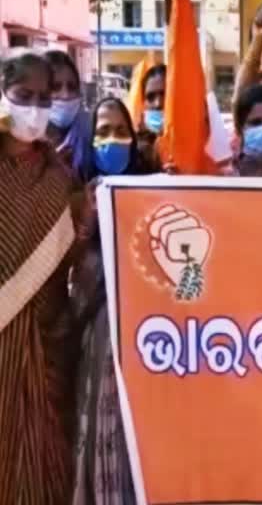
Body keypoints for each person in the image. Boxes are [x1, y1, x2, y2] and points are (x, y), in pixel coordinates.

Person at [0, 50, 78, 504]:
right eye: (23, 95)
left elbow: (71, 258)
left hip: (47, 348)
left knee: (44, 474)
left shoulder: (60, 178)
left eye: (43, 97)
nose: (34, 107)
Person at [71, 98, 151, 505]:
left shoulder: (151, 196)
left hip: (146, 353)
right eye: (102, 132)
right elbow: (67, 283)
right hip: (97, 348)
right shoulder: (72, 196)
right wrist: (87, 220)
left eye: (121, 132)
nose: (112, 140)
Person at [44, 50, 92, 175]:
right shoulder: (26, 143)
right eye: (55, 87)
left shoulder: (91, 131)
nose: (65, 95)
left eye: (72, 87)